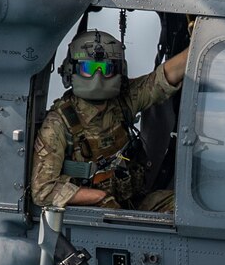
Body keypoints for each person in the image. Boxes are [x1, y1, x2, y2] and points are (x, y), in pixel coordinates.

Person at [31, 29, 189, 211]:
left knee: (182, 207)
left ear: (118, 72)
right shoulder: (59, 124)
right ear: (71, 71)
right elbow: (43, 190)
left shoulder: (123, 102)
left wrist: (197, 47)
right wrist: (99, 197)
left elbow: (163, 78)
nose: (97, 77)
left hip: (132, 202)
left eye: (106, 69)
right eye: (88, 69)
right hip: (95, 216)